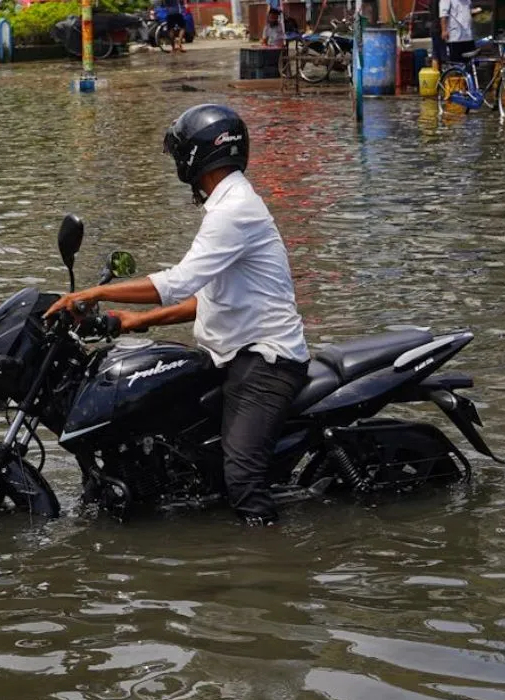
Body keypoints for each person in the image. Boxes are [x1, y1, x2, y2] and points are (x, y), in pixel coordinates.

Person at [44, 105, 309, 527]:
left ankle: (265, 569)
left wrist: (92, 293)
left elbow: (178, 282)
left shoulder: (233, 211)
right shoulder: (228, 205)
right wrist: (130, 320)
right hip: (233, 356)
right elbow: (206, 298)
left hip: (266, 363)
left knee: (241, 478)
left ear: (196, 156)